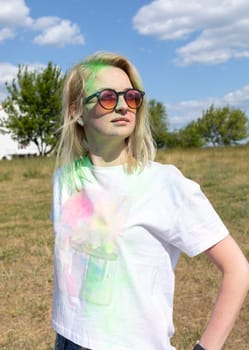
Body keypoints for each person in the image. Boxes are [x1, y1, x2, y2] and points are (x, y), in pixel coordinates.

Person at [51, 51, 249, 350]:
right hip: (67, 340)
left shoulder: (165, 183)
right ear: (77, 110)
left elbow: (237, 270)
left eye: (131, 97)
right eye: (106, 97)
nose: (122, 106)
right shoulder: (66, 179)